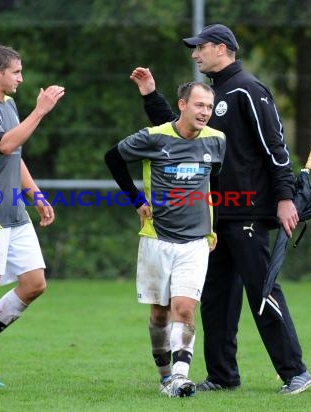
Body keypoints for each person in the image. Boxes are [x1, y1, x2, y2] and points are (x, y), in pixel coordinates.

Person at [129, 24, 311, 395]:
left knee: (262, 291)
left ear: (221, 49)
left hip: (248, 211)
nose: (195, 55)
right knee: (214, 298)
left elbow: (275, 147)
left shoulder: (249, 89)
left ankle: (295, 372)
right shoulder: (212, 96)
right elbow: (178, 132)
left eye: (200, 49)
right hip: (214, 215)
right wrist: (151, 96)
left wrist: (284, 197)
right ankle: (222, 375)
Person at [104, 82, 226, 397]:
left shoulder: (217, 141)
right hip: (156, 238)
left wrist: (212, 226)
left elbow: (214, 184)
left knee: (184, 308)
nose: (205, 113)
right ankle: (165, 376)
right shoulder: (153, 137)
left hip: (196, 241)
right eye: (199, 105)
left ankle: (181, 378)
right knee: (159, 312)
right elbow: (112, 157)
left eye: (209, 107)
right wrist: (135, 200)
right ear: (182, 105)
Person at [0, 44, 65, 387]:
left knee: (35, 284)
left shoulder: (9, 104)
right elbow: (4, 144)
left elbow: (15, 155)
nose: (21, 77)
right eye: (16, 72)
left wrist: (36, 195)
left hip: (15, 212)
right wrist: (40, 111)